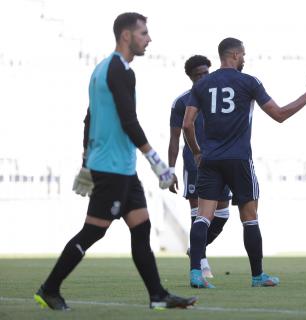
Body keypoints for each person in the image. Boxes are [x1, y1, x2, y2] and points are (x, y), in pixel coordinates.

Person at [34, 12, 197, 311]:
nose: (149, 39)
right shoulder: (119, 70)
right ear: (126, 36)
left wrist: (85, 160)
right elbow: (128, 121)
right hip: (111, 167)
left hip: (120, 166)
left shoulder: (102, 69)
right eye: (144, 33)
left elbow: (90, 118)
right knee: (94, 230)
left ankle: (158, 296)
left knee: (141, 227)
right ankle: (49, 288)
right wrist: (157, 161)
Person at [182, 37, 306, 288]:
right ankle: (257, 276)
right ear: (234, 55)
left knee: (202, 217)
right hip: (239, 159)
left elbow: (187, 124)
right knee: (249, 218)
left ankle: (196, 273)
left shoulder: (203, 84)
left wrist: (197, 152)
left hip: (210, 160)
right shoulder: (249, 82)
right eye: (243, 55)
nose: (244, 59)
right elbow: (280, 115)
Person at [168, 55, 231, 278]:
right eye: (198, 75)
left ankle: (196, 249)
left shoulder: (221, 97)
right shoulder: (182, 102)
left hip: (222, 159)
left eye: (206, 73)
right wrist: (170, 169)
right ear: (190, 77)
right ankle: (201, 265)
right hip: (195, 163)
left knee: (222, 214)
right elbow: (175, 138)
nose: (203, 78)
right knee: (198, 214)